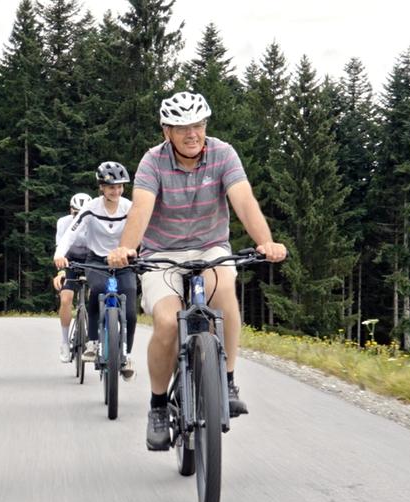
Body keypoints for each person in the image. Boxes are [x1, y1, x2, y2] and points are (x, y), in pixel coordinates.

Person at [107, 91, 287, 450]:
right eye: (182, 127)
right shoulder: (152, 162)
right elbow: (141, 206)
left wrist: (266, 241)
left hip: (210, 248)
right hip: (162, 252)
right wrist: (127, 247)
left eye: (199, 124)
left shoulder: (223, 153)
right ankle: (158, 405)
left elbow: (243, 200)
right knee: (168, 322)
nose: (193, 133)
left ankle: (228, 380)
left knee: (224, 293)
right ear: (166, 131)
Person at [65, 161, 138, 379]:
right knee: (97, 289)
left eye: (120, 186)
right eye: (111, 187)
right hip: (97, 260)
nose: (116, 191)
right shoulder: (91, 208)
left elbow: (145, 231)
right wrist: (59, 255)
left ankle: (126, 355)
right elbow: (71, 232)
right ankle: (93, 341)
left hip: (125, 262)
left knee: (132, 312)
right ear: (101, 188)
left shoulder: (129, 207)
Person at [52, 192, 92, 362]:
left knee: (99, 295)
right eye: (76, 213)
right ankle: (64, 341)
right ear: (71, 211)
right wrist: (60, 272)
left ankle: (94, 338)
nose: (80, 217)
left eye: (84, 214)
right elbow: (60, 249)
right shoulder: (63, 223)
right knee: (66, 298)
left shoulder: (95, 223)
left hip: (91, 259)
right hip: (70, 260)